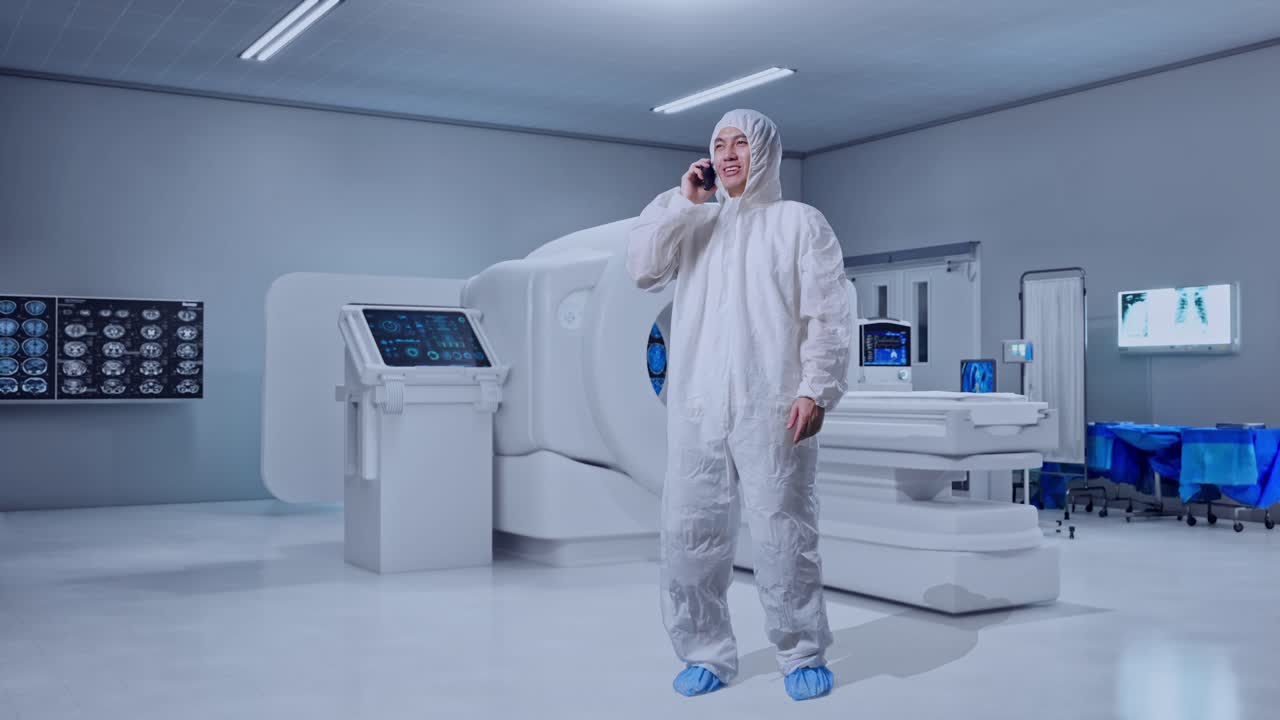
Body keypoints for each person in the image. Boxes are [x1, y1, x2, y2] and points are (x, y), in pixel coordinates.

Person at [625, 109, 853, 701]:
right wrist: (685, 202)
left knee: (784, 534)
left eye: (741, 145)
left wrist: (815, 388)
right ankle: (704, 651)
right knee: (689, 533)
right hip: (698, 407)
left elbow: (827, 314)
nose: (728, 155)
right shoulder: (690, 218)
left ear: (767, 154)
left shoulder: (799, 224)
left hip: (772, 407)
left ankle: (802, 652)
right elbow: (642, 270)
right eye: (718, 145)